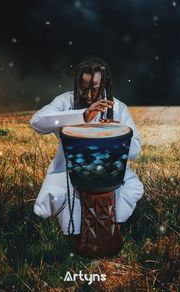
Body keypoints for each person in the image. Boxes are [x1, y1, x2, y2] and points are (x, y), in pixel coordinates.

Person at [30, 57, 144, 235]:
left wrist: (116, 133)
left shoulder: (119, 108)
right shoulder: (66, 101)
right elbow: (36, 122)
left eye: (95, 90)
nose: (89, 96)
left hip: (110, 173)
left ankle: (111, 227)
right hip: (69, 171)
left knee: (130, 188)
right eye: (83, 89)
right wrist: (82, 116)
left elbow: (135, 151)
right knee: (68, 211)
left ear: (105, 85)